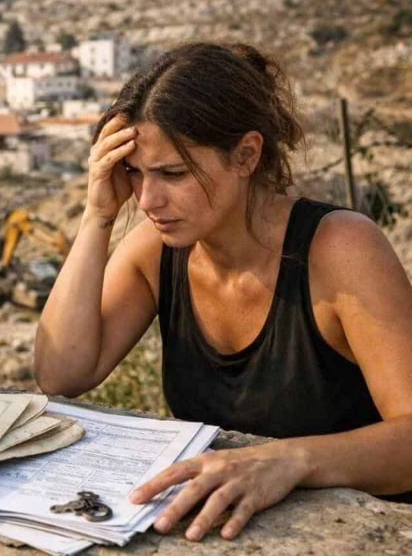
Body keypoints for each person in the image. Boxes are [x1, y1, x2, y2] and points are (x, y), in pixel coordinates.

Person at [34, 42, 412, 542]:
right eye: (134, 172)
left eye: (172, 173)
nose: (147, 199)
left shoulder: (340, 249)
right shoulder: (155, 249)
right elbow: (62, 374)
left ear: (246, 155)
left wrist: (290, 460)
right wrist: (97, 215)